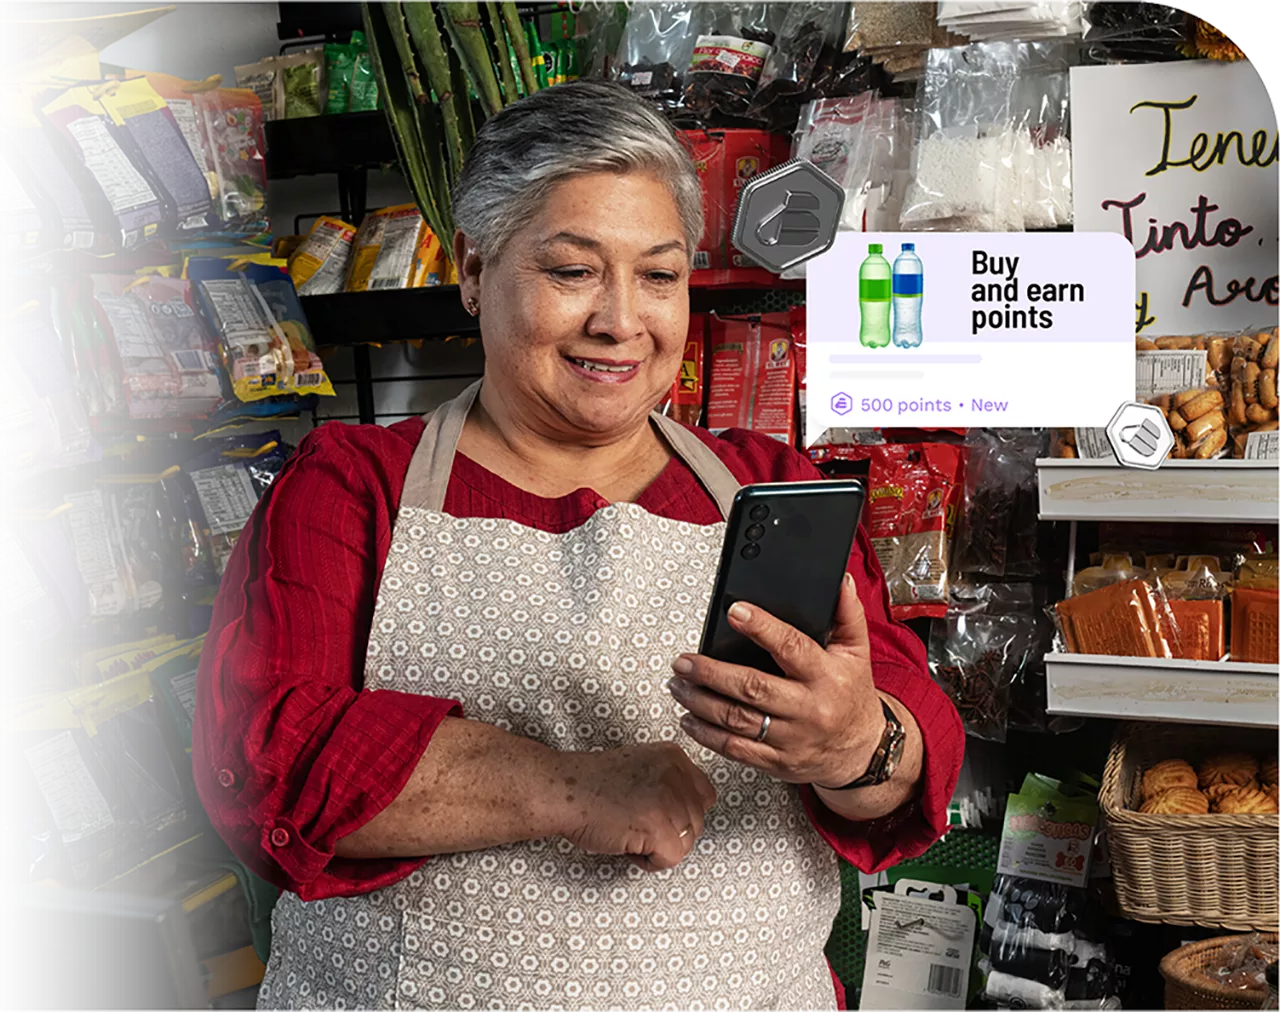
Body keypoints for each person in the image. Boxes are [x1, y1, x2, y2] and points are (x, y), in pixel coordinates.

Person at [193, 80, 964, 1010]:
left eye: (659, 276)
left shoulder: (769, 486)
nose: (621, 321)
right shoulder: (354, 488)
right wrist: (566, 787)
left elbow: (907, 750)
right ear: (473, 269)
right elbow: (266, 764)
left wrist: (855, 743)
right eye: (572, 271)